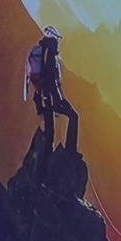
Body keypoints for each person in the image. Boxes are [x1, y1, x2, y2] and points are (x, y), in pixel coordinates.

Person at [26, 25, 79, 154]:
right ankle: (70, 151)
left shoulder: (42, 51)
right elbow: (51, 80)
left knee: (49, 130)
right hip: (51, 97)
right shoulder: (50, 54)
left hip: (43, 97)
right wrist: (59, 100)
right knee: (74, 116)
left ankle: (43, 162)